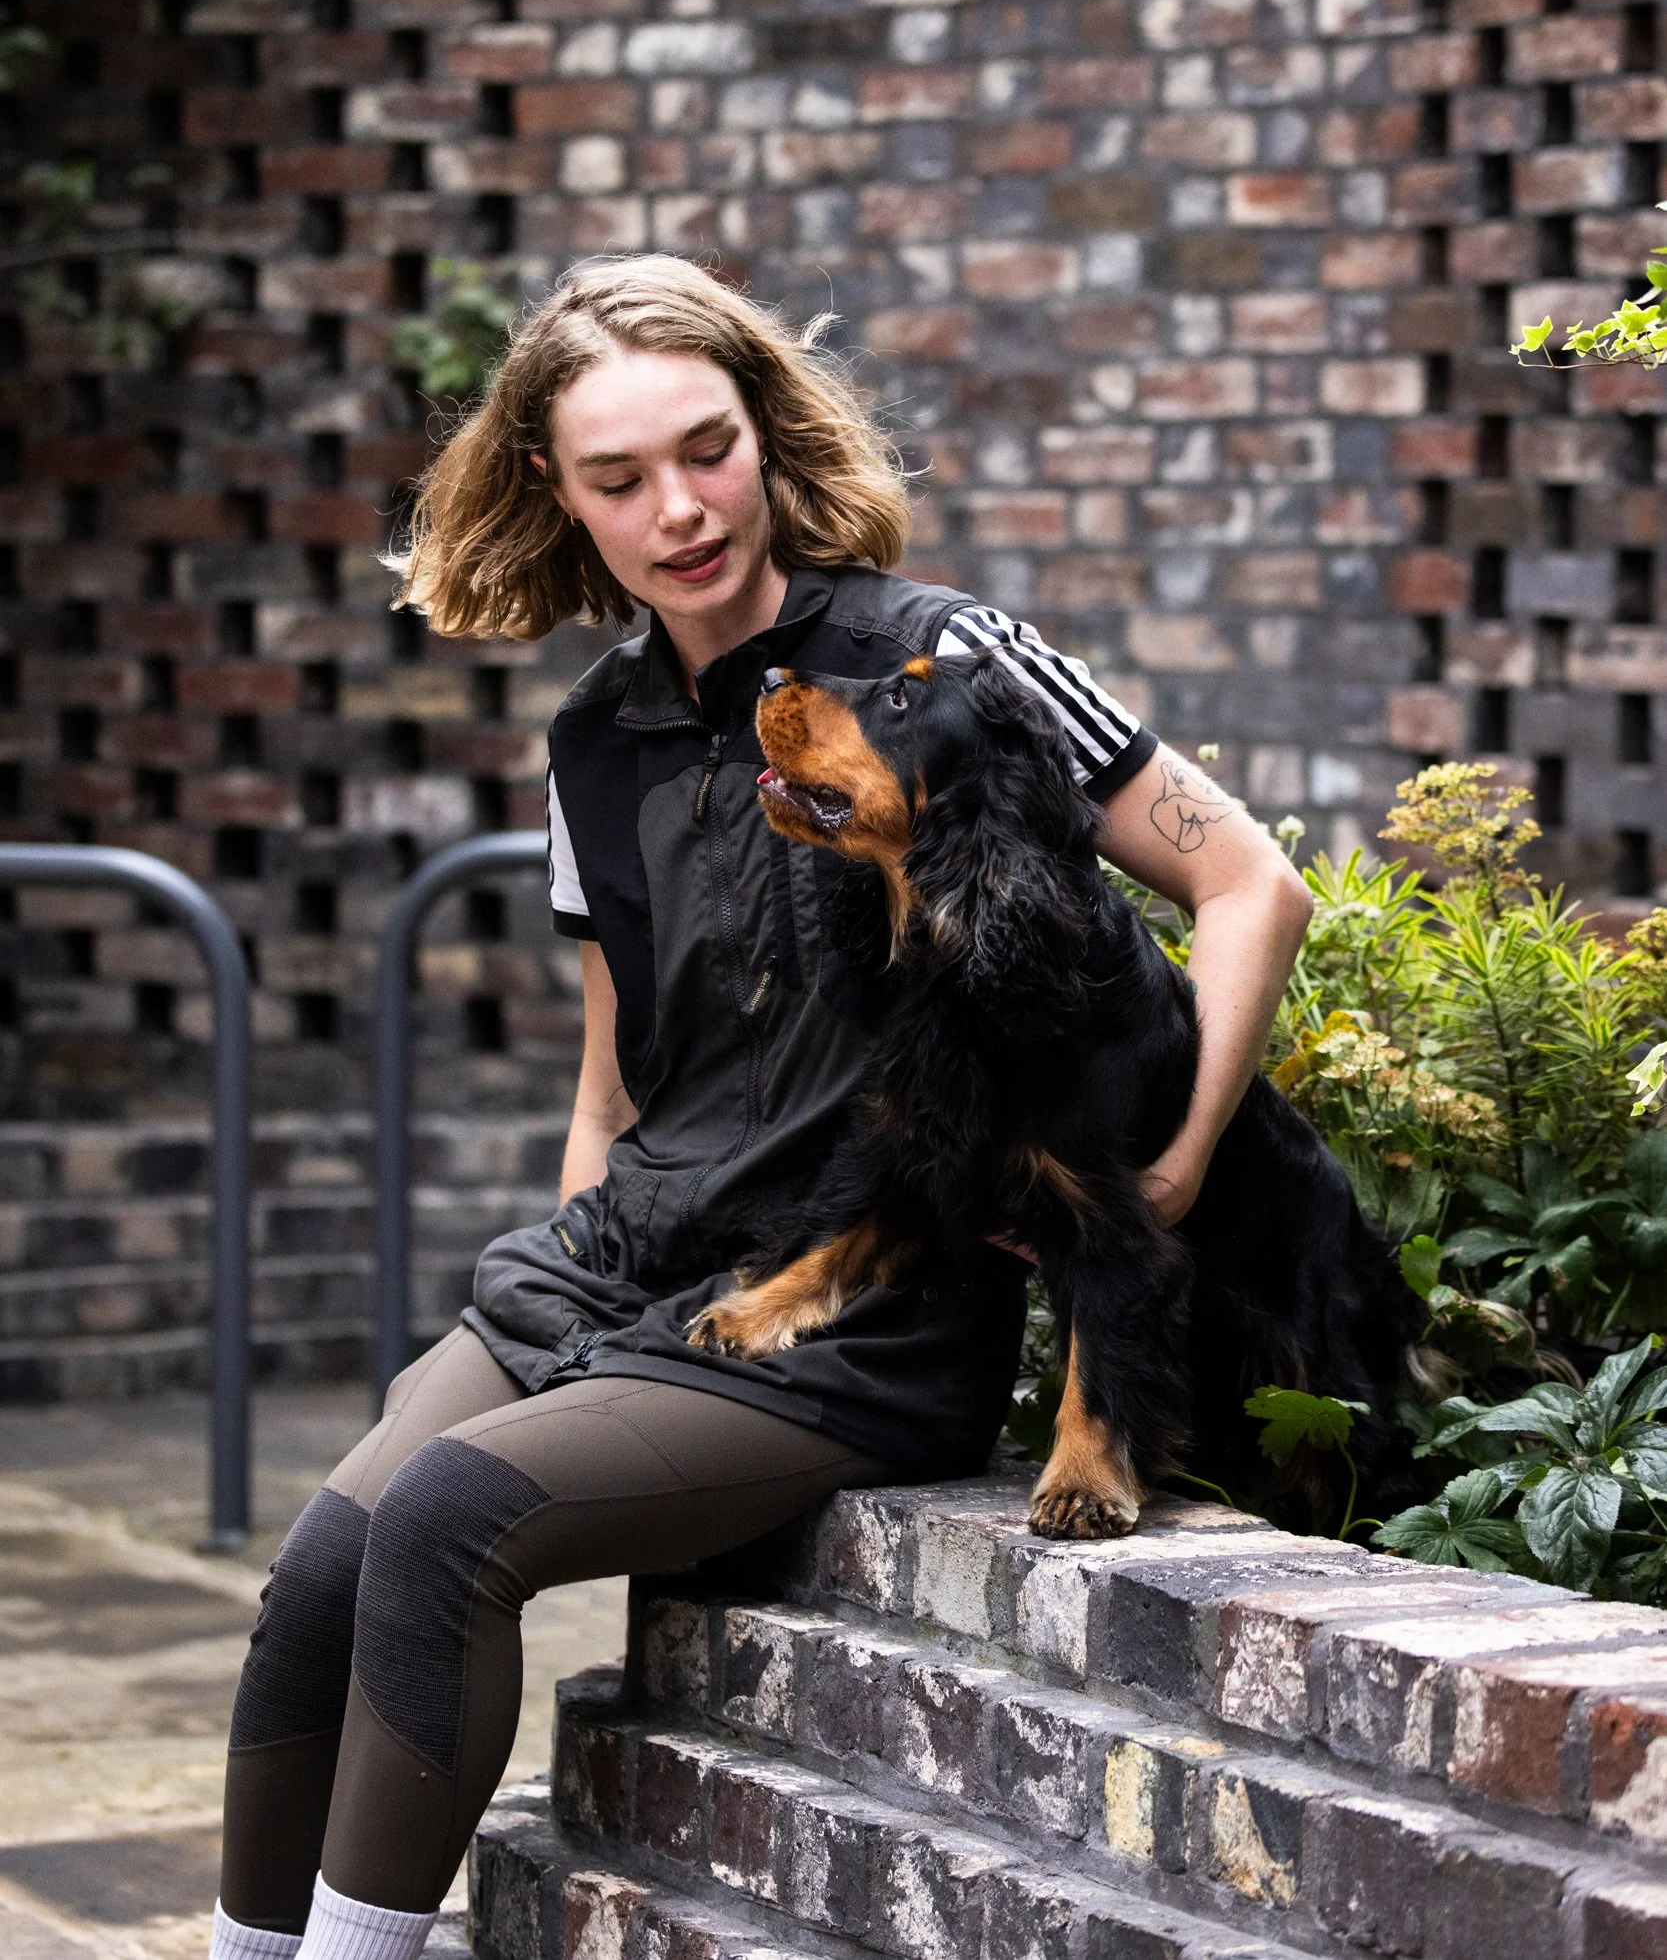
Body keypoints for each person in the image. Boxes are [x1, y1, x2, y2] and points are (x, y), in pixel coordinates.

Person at [210, 255, 1312, 1960]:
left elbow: (1247, 882)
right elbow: (622, 1073)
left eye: (706, 451)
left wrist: (1163, 1171)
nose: (680, 510)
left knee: (448, 1521)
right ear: (554, 495)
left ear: (765, 432)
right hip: (635, 1256)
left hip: (851, 1311)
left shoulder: (942, 656)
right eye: (619, 478)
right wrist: (565, 1309)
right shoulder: (597, 737)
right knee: (318, 1577)